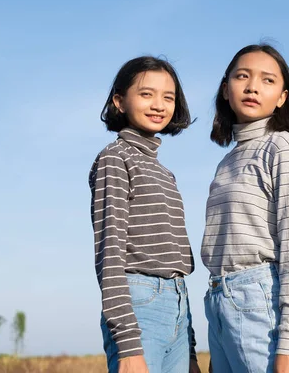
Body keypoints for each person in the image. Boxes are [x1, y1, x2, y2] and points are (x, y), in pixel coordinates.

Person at [201, 44, 289, 373]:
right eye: (242, 76)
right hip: (220, 302)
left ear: (282, 97)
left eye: (267, 80)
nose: (252, 86)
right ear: (226, 89)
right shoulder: (226, 161)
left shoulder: (282, 147)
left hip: (258, 303)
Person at [89, 55, 201, 373]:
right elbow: (109, 256)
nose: (158, 105)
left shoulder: (165, 173)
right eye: (146, 94)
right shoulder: (114, 158)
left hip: (178, 304)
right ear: (119, 101)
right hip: (139, 306)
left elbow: (174, 266)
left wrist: (189, 348)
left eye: (168, 97)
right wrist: (127, 344)